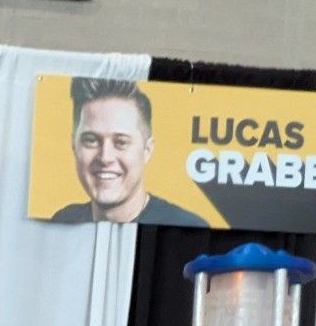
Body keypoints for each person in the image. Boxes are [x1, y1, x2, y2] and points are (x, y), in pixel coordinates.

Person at [49, 78, 205, 226]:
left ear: (147, 150)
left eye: (121, 142)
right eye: (91, 140)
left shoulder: (186, 229)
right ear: (74, 145)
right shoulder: (62, 222)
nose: (105, 157)